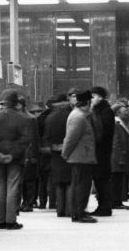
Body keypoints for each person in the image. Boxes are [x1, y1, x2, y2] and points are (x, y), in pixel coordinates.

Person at [0, 89, 30, 230]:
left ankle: (1, 220)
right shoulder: (22, 118)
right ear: (15, 102)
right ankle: (10, 220)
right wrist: (12, 155)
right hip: (15, 158)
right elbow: (25, 140)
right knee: (12, 188)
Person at [62, 90, 97, 224]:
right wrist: (65, 153)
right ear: (87, 102)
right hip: (80, 156)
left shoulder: (80, 115)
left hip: (81, 156)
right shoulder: (78, 117)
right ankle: (79, 213)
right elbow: (71, 138)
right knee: (82, 185)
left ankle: (78, 212)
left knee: (80, 185)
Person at [43, 93, 72, 217]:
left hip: (55, 153)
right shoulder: (70, 115)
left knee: (59, 183)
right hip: (68, 152)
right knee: (70, 181)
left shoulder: (50, 117)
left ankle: (60, 210)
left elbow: (47, 136)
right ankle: (70, 210)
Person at [89, 86, 115, 217]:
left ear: (101, 97)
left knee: (102, 179)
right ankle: (103, 205)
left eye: (93, 96)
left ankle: (105, 206)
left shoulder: (105, 111)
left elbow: (103, 133)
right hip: (99, 150)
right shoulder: (98, 110)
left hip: (102, 151)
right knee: (99, 179)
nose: (91, 99)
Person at [110, 102, 129, 209]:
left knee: (119, 180)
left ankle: (117, 201)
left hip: (120, 157)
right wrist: (120, 157)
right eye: (125, 111)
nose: (127, 113)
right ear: (118, 113)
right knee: (116, 181)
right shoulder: (116, 124)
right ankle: (115, 201)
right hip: (117, 158)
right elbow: (115, 143)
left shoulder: (121, 123)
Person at [34, 98, 55, 210]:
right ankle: (52, 202)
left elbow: (36, 136)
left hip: (42, 150)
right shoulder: (57, 117)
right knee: (53, 179)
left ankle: (42, 202)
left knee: (43, 179)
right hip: (54, 150)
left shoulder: (40, 119)